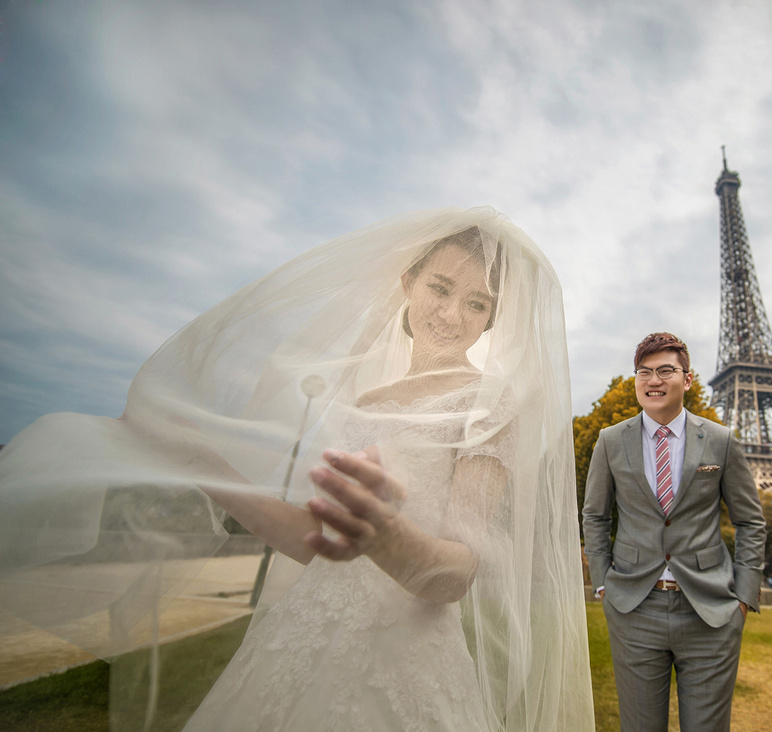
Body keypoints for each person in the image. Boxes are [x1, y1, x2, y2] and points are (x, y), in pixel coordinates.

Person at [0, 208, 594, 731]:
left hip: (404, 654)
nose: (452, 313)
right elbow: (314, 541)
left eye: (476, 303)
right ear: (408, 283)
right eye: (439, 288)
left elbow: (457, 574)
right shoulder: (368, 401)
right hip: (300, 631)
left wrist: (386, 535)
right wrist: (201, 463)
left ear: (491, 319)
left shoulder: (490, 405)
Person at [582, 332, 766, 732]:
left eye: (666, 370)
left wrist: (744, 597)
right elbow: (595, 516)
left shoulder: (720, 440)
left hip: (710, 611)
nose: (654, 380)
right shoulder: (610, 441)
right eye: (644, 372)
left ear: (688, 379)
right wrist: (603, 584)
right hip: (634, 608)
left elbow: (750, 521)